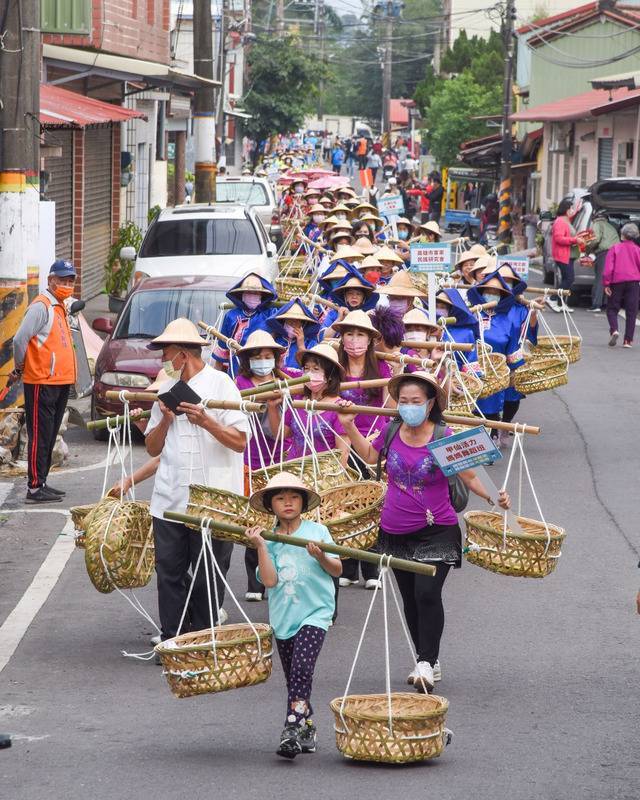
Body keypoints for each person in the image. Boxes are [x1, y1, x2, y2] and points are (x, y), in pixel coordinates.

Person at [339, 371, 510, 690]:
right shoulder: (390, 431)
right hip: (394, 529)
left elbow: (471, 477)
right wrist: (349, 425)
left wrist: (494, 496)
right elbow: (371, 456)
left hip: (437, 530)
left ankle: (426, 663)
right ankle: (426, 655)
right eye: (403, 401)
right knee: (410, 599)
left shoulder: (443, 436)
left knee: (427, 594)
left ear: (430, 404)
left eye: (415, 401)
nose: (408, 407)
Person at [145, 319, 248, 643]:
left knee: (209, 575)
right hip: (170, 498)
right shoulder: (165, 389)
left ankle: (204, 640)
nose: (164, 361)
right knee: (169, 574)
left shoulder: (221, 385)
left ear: (182, 354)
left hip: (212, 500)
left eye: (167, 354)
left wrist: (206, 421)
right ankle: (172, 638)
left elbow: (240, 441)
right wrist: (165, 419)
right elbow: (152, 446)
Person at [246, 472, 342, 759]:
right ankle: (307, 726)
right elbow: (270, 581)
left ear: (302, 502)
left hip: (316, 612)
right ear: (271, 505)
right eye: (280, 498)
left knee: (302, 668)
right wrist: (262, 546)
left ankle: (291, 728)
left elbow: (337, 570)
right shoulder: (269, 539)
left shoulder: (318, 532)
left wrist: (321, 557)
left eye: (293, 497)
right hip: (283, 618)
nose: (288, 503)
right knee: (294, 679)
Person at [333, 309, 392, 588]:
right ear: (342, 338)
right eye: (349, 334)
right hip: (339, 440)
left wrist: (399, 374)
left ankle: (371, 567)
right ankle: (346, 566)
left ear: (370, 340)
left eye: (360, 335)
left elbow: (391, 409)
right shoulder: (334, 366)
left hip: (371, 442)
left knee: (371, 504)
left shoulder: (380, 367)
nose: (355, 340)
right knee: (343, 503)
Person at [11, 260, 78, 503]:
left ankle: (43, 481)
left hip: (59, 382)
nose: (67, 285)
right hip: (41, 381)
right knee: (40, 434)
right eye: (62, 280)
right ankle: (34, 487)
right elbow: (19, 340)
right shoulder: (41, 306)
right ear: (51, 280)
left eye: (70, 281)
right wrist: (20, 367)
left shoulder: (59, 306)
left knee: (49, 435)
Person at [234, 331, 288, 601]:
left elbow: (280, 432)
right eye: (257, 357)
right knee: (254, 520)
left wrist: (275, 405)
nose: (263, 362)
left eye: (268, 357)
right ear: (248, 360)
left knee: (281, 520)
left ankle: (277, 577)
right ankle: (254, 584)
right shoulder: (240, 382)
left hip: (279, 458)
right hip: (250, 459)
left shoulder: (285, 380)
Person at [213, 273, 278, 374]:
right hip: (236, 371)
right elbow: (223, 349)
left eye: (256, 293)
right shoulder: (231, 316)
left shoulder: (270, 314)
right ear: (242, 294)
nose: (252, 295)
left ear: (261, 295)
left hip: (262, 369)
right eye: (249, 292)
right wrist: (215, 376)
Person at [603, 222, 640, 348]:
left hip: (617, 282)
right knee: (632, 311)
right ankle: (627, 341)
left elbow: (608, 269)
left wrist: (606, 283)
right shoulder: (637, 249)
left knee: (612, 308)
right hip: (634, 282)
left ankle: (614, 330)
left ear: (622, 234)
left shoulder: (615, 248)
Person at [267, 299, 323, 369]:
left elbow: (311, 368)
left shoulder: (310, 343)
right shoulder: (275, 340)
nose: (293, 325)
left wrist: (301, 346)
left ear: (303, 324)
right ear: (283, 322)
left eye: (297, 322)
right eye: (290, 322)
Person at [548, 198, 581, 313]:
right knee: (569, 279)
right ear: (566, 210)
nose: (572, 210)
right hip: (563, 255)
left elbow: (576, 211)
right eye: (571, 208)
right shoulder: (561, 221)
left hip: (568, 255)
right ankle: (552, 298)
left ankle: (561, 303)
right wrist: (574, 240)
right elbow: (558, 238)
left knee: (567, 279)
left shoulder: (566, 220)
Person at [587, 210, 620, 312]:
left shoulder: (597, 223)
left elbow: (596, 239)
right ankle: (606, 303)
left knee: (600, 278)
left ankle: (596, 305)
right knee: (608, 279)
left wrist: (587, 248)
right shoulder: (610, 226)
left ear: (594, 218)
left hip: (605, 252)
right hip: (616, 253)